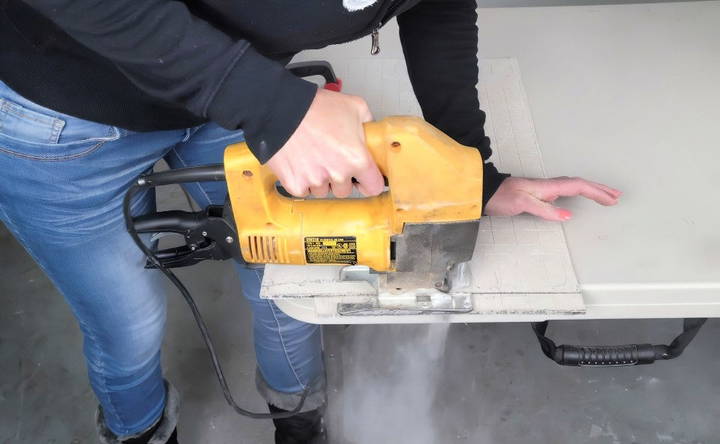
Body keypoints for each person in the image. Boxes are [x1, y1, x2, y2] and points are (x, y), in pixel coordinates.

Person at [0, 0, 621, 442]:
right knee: (127, 325)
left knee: (293, 283)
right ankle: (140, 432)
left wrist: (470, 171)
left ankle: (294, 415)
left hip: (234, 96)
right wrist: (273, 103)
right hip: (64, 121)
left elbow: (437, 8)